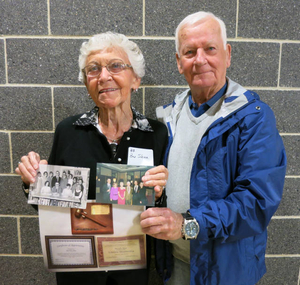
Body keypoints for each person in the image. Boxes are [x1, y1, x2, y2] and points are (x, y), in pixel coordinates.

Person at [140, 11, 287, 285]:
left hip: (226, 272)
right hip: (176, 264)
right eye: (189, 51)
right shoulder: (167, 118)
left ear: (227, 54)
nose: (200, 60)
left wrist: (187, 225)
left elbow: (256, 202)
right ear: (178, 62)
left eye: (210, 49)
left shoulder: (253, 118)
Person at [15, 32, 168, 285]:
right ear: (87, 83)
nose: (104, 76)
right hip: (79, 273)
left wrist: (159, 194)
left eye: (116, 66)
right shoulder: (68, 131)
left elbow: (163, 210)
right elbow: (50, 211)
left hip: (131, 272)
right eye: (93, 69)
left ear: (136, 80)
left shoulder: (156, 134)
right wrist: (33, 183)